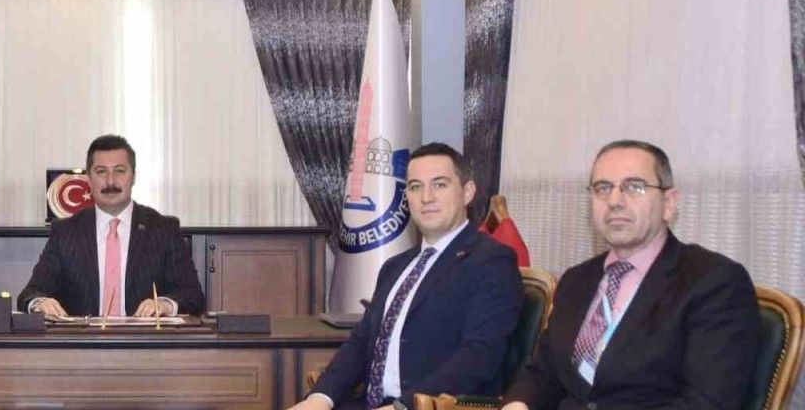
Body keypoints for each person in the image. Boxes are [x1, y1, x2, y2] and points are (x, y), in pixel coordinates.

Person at [500, 140, 760, 410]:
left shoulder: (714, 282)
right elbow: (544, 374)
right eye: (603, 188)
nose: (614, 201)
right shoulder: (576, 280)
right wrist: (518, 404)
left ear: (669, 203)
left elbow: (706, 403)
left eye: (634, 187)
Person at [292, 142, 524, 410]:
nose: (426, 197)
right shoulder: (395, 267)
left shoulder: (491, 261)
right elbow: (361, 342)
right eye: (415, 187)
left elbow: (480, 356)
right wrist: (320, 398)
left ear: (467, 192)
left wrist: (403, 406)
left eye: (439, 184)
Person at [18, 134, 205, 317]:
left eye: (119, 171)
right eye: (101, 172)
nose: (110, 181)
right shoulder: (66, 232)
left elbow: (193, 296)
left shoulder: (163, 230)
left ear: (133, 177)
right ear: (89, 179)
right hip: (82, 337)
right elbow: (30, 293)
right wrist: (41, 303)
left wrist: (165, 304)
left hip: (144, 337)